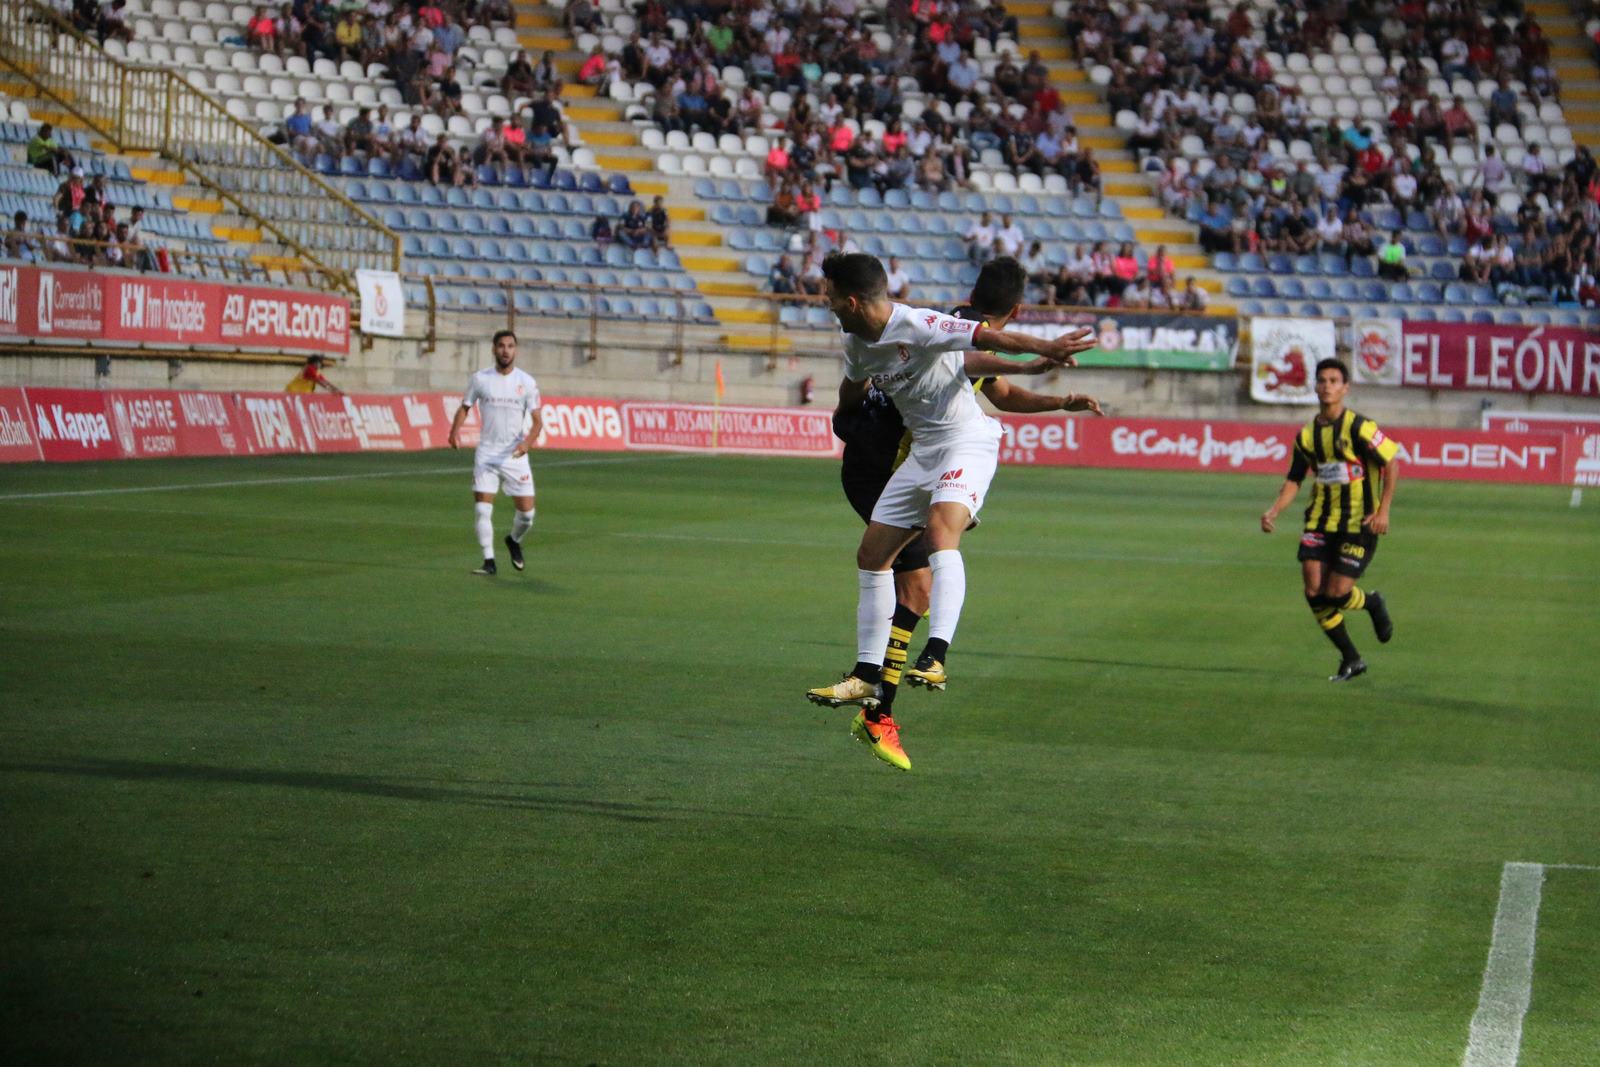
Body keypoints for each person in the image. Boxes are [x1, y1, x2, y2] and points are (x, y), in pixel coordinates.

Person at [804, 253, 1097, 769]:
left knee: (939, 540)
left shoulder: (920, 321)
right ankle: (868, 680)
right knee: (876, 558)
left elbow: (982, 346)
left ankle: (933, 657)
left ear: (849, 301)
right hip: (907, 458)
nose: (825, 304)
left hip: (961, 443)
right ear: (1019, 305)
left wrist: (1043, 356)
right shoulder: (858, 342)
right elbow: (974, 356)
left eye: (829, 296)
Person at [1259, 358, 1399, 682]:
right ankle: (1351, 658)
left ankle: (1373, 602)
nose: (1327, 386)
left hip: (1358, 523)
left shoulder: (1360, 427)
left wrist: (1384, 511)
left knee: (1336, 593)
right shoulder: (1307, 436)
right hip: (1320, 522)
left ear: (1345, 388)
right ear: (1315, 386)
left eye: (1334, 380)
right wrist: (1274, 510)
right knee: (1313, 592)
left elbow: (1391, 463)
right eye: (1322, 380)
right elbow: (1295, 479)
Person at [447, 330, 543, 577]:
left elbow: (537, 422)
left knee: (527, 515)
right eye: (501, 346)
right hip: (487, 454)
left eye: (510, 346)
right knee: (482, 509)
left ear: (516, 350)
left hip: (515, 455)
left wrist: (527, 444)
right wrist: (454, 431)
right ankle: (489, 561)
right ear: (494, 349)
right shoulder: (480, 379)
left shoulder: (527, 382)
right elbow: (465, 407)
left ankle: (513, 540)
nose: (505, 350)